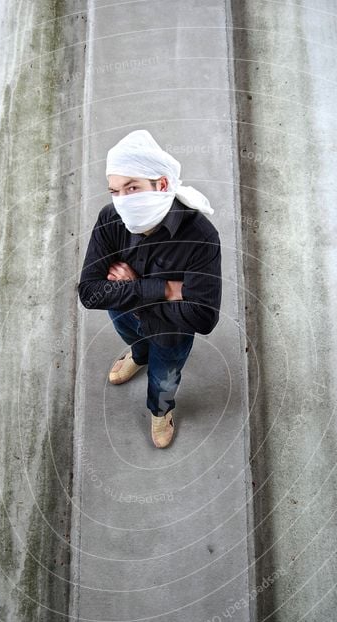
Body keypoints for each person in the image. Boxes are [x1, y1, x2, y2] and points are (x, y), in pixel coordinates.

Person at [78, 129, 222, 448]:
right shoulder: (110, 219)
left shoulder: (201, 237)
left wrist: (134, 286)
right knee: (136, 342)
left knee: (164, 378)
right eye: (116, 191)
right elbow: (90, 293)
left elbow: (202, 317)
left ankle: (161, 411)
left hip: (172, 333)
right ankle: (139, 354)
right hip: (126, 315)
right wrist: (168, 289)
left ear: (162, 184)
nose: (123, 201)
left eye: (133, 188)